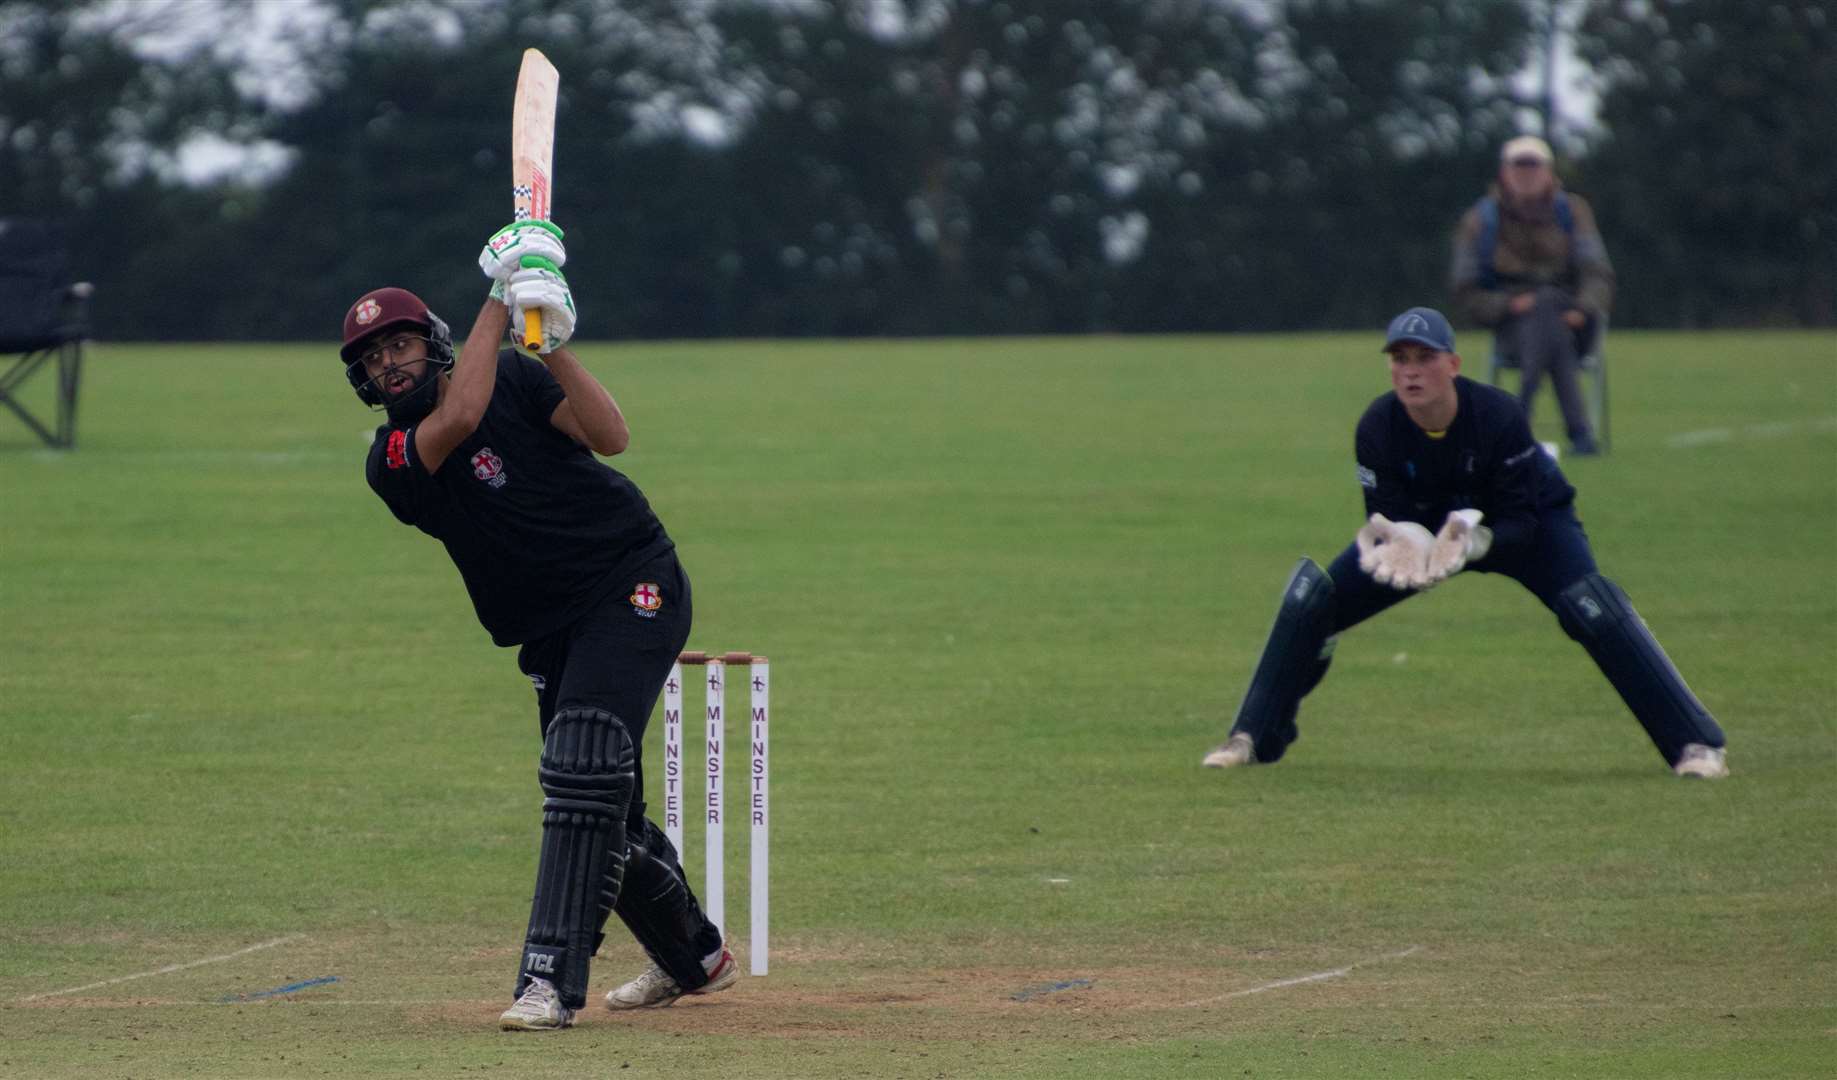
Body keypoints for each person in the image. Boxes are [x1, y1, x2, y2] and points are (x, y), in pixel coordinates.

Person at [341, 221, 738, 1031]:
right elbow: (458, 421)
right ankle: (694, 954)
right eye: (373, 358)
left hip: (631, 579)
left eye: (402, 345)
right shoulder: (391, 460)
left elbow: (611, 437)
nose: (389, 363)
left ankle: (549, 981)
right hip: (547, 627)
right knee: (597, 805)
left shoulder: (518, 378)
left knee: (582, 766)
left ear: (435, 344)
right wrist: (499, 291)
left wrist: (551, 339)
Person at [1201, 306, 1727, 779]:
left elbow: (1524, 522)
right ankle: (1251, 738)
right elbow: (1383, 518)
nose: (1410, 370)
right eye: (1400, 358)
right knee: (1313, 599)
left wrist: (1476, 544)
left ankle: (1696, 745)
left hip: (1528, 525)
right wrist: (1401, 540)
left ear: (1452, 365)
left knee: (1591, 606)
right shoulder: (1377, 426)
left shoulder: (1498, 415)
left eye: (1424, 358)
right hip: (1429, 537)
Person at [1450, 135, 1614, 456]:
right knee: (1545, 317)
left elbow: (1597, 273)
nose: (1526, 174)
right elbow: (1465, 290)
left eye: (1533, 166)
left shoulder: (1574, 213)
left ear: (1549, 172)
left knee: (1547, 306)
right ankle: (1580, 433)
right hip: (1513, 325)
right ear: (1504, 173)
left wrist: (1583, 308)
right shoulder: (1481, 221)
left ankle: (1520, 410)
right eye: (1519, 166)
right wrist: (1509, 304)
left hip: (1574, 320)